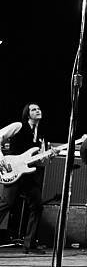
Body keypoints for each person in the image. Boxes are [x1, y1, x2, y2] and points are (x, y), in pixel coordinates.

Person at [0, 103, 46, 253]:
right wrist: (1, 158)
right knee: (6, 204)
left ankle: (29, 244)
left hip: (28, 175)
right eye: (34, 109)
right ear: (27, 114)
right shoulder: (18, 126)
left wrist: (47, 157)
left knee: (37, 206)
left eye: (39, 109)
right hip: (12, 169)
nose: (37, 111)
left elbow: (40, 160)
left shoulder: (41, 135)